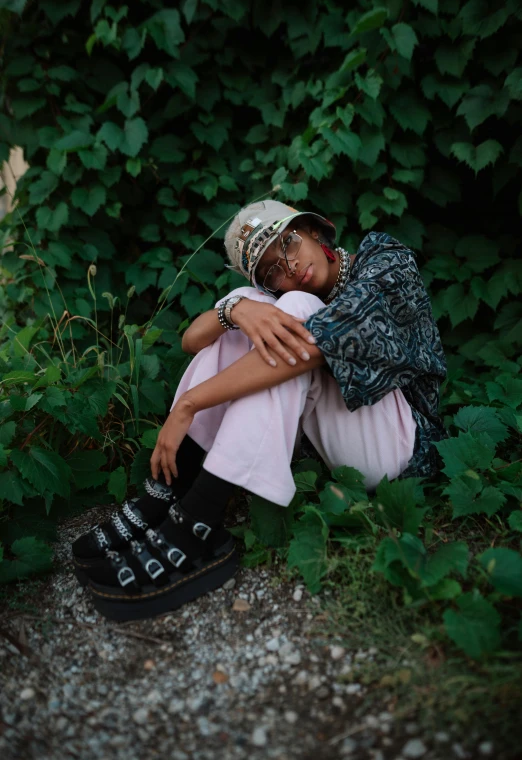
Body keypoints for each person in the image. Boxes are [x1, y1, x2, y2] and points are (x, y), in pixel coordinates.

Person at [72, 199, 447, 622]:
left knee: (296, 311)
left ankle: (198, 519)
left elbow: (308, 346)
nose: (288, 267)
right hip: (340, 439)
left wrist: (188, 406)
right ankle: (167, 496)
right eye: (271, 270)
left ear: (315, 232)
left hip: (400, 445)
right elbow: (192, 340)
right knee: (251, 310)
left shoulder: (385, 260)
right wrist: (238, 307)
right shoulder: (281, 294)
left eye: (289, 242)